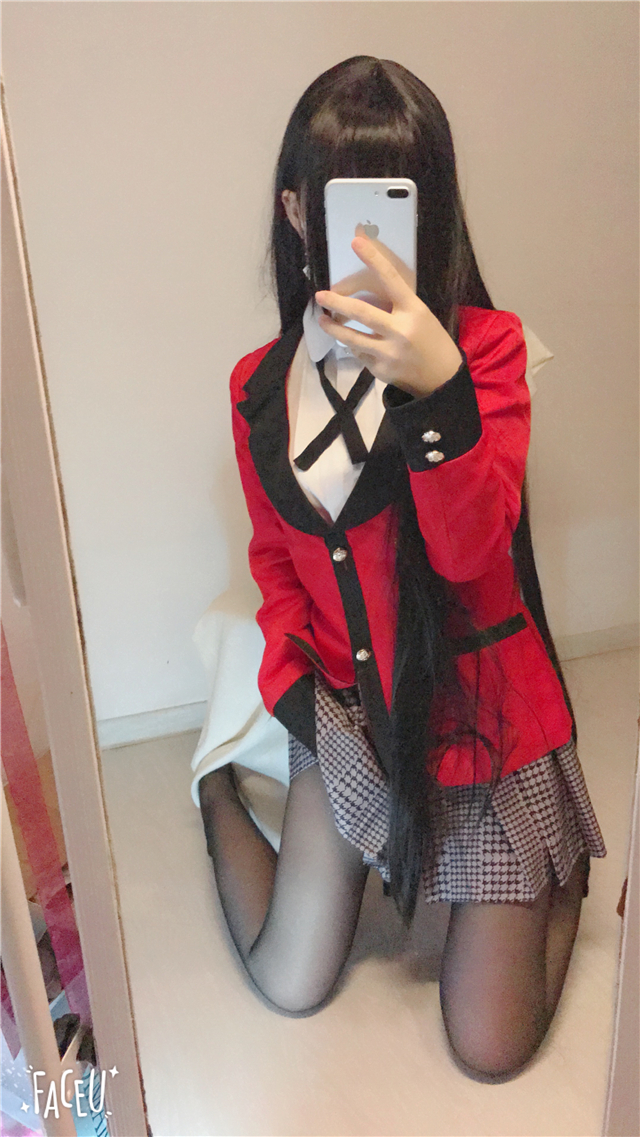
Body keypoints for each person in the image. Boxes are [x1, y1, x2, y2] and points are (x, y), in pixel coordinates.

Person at [198, 56, 606, 1082]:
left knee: (489, 1049)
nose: (370, 239)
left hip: (480, 715)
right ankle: (212, 792)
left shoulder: (488, 352)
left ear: (433, 212)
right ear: (297, 211)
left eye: (397, 204)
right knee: (289, 980)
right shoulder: (257, 388)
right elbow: (277, 566)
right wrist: (299, 698)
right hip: (348, 709)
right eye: (342, 206)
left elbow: (472, 557)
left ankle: (552, 869)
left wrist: (439, 396)